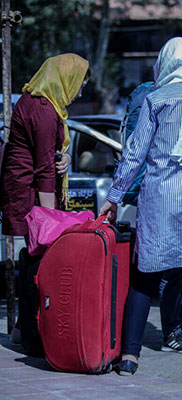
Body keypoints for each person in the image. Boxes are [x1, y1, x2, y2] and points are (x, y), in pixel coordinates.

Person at [99, 37, 182, 389]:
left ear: (164, 64)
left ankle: (129, 358)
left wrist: (114, 195)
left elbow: (135, 153)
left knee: (145, 279)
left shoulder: (156, 99)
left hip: (161, 201)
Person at [0, 53, 90, 346]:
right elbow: (42, 169)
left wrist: (63, 158)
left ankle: (23, 327)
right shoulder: (43, 111)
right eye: (78, 84)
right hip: (30, 195)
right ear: (64, 79)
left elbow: (49, 156)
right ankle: (29, 331)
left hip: (29, 191)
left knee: (33, 259)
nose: (79, 92)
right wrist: (51, 222)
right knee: (37, 263)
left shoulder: (40, 102)